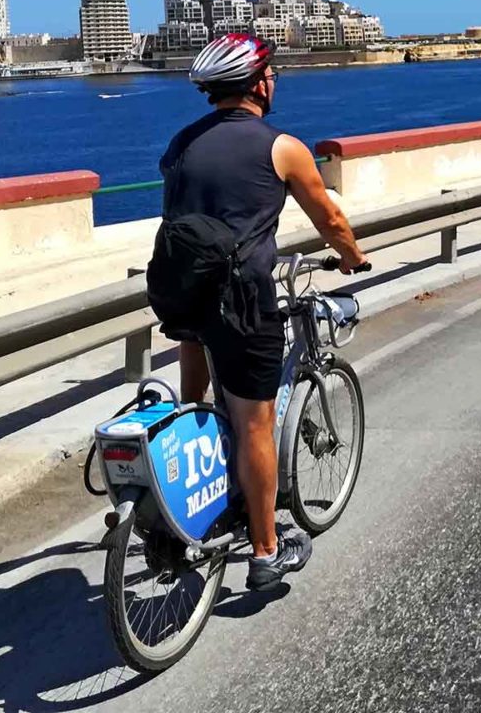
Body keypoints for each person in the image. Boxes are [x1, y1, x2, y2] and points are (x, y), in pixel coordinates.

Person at [161, 33, 369, 591]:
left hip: (183, 294)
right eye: (270, 73)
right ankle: (264, 550)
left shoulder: (180, 144)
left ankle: (197, 501)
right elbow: (329, 218)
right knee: (254, 423)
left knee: (197, 403)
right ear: (256, 83)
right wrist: (352, 255)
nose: (273, 81)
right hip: (242, 303)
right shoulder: (280, 146)